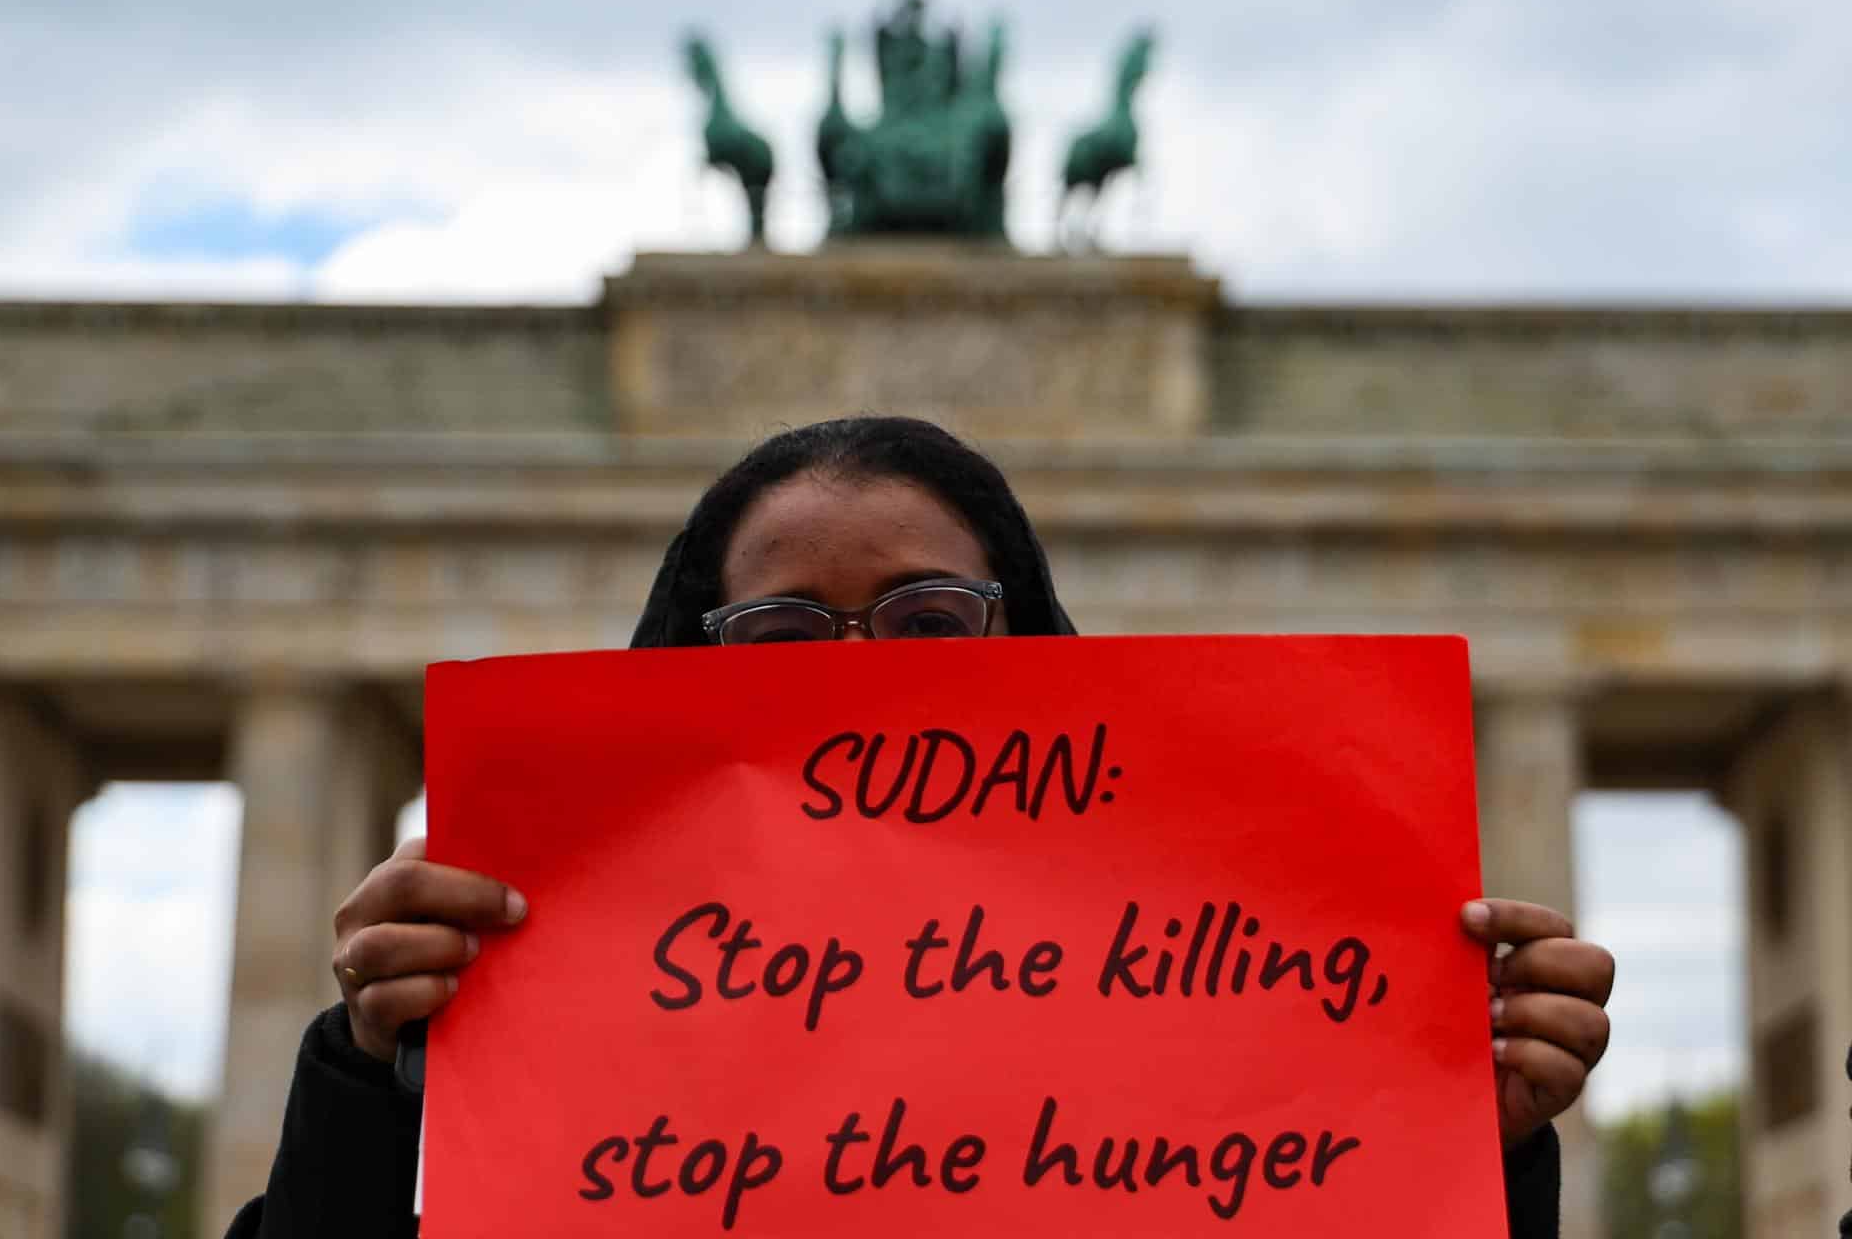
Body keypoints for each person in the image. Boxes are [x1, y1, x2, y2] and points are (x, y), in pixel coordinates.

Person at [225, 416, 1615, 1238]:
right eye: (777, 628)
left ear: (1024, 632)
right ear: (686, 656)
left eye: (928, 617)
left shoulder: (1220, 1000)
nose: (858, 672)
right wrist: (363, 1071)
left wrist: (1473, 1152)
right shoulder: (530, 1014)